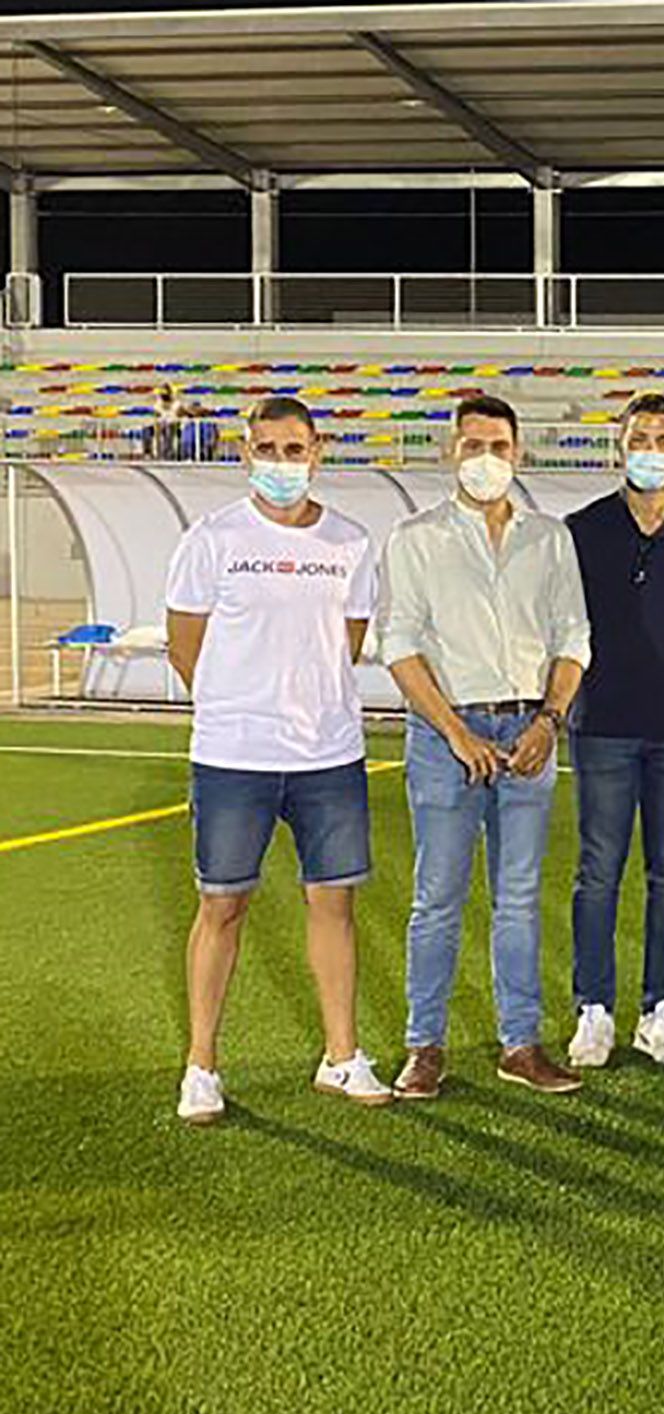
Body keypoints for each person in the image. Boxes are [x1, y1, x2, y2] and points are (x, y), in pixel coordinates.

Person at [164, 396, 392, 1124]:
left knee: (335, 903)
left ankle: (341, 1054)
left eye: (295, 450)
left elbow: (347, 641)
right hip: (234, 758)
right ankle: (201, 1065)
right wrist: (238, 709)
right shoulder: (212, 538)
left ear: (318, 452)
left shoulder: (351, 543)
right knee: (221, 906)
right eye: (268, 449)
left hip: (329, 755)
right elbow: (184, 643)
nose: (282, 463)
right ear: (245, 454)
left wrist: (305, 703)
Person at [378, 394, 591, 1098]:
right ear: (451, 453)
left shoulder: (549, 538)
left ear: (518, 452)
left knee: (520, 897)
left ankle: (520, 1042)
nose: (486, 459)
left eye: (498, 446)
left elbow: (573, 638)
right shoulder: (415, 538)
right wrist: (455, 729)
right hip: (447, 737)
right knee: (437, 896)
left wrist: (548, 721)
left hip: (529, 732)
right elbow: (400, 645)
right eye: (472, 446)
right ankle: (424, 1045)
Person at [562, 393, 664, 1071]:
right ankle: (593, 1008)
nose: (652, 448)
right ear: (618, 447)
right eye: (641, 436)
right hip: (602, 727)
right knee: (598, 870)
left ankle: (661, 1007)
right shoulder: (580, 530)